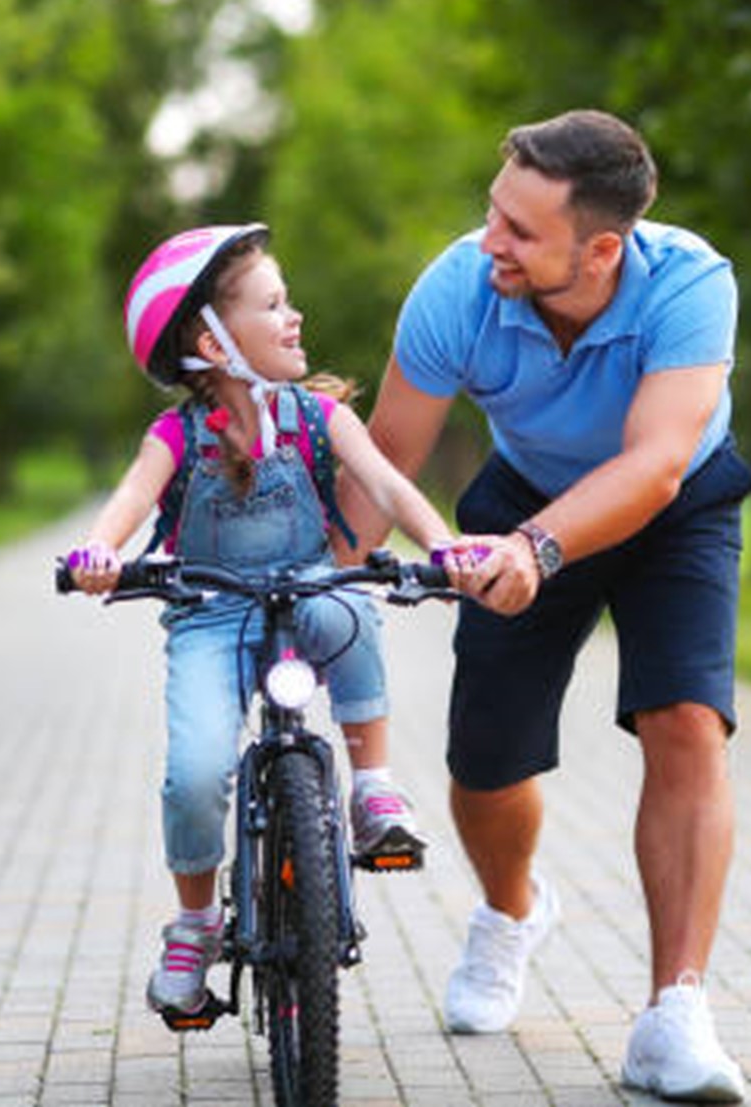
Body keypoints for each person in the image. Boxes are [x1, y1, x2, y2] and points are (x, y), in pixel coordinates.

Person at [338, 110, 751, 1102]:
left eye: (521, 231)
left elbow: (656, 464)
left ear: (601, 246)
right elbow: (382, 457)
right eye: (494, 212)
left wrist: (541, 549)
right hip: (519, 495)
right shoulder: (457, 289)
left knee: (687, 721)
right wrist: (321, 591)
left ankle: (672, 1015)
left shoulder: (691, 284)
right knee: (485, 762)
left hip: (672, 509)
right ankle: (511, 911)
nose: (492, 241)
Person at [65, 223, 488, 1025]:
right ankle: (194, 925)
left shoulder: (316, 416)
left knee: (352, 603)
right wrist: (98, 551)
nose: (294, 317)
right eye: (272, 305)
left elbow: (390, 487)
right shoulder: (176, 437)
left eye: (288, 300)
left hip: (305, 593)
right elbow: (127, 501)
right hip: (210, 614)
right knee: (193, 774)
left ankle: (372, 791)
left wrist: (445, 547)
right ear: (212, 341)